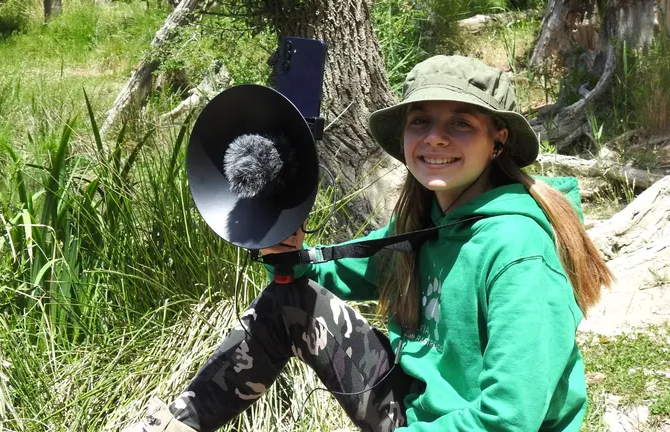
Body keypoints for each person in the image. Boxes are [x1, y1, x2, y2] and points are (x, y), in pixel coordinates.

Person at [134, 55, 614, 432]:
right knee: (290, 300)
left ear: (499, 140)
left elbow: (510, 419)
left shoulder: (518, 253)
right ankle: (179, 424)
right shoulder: (428, 220)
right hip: (415, 408)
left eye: (461, 124)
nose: (435, 139)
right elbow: (335, 274)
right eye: (420, 121)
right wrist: (286, 251)